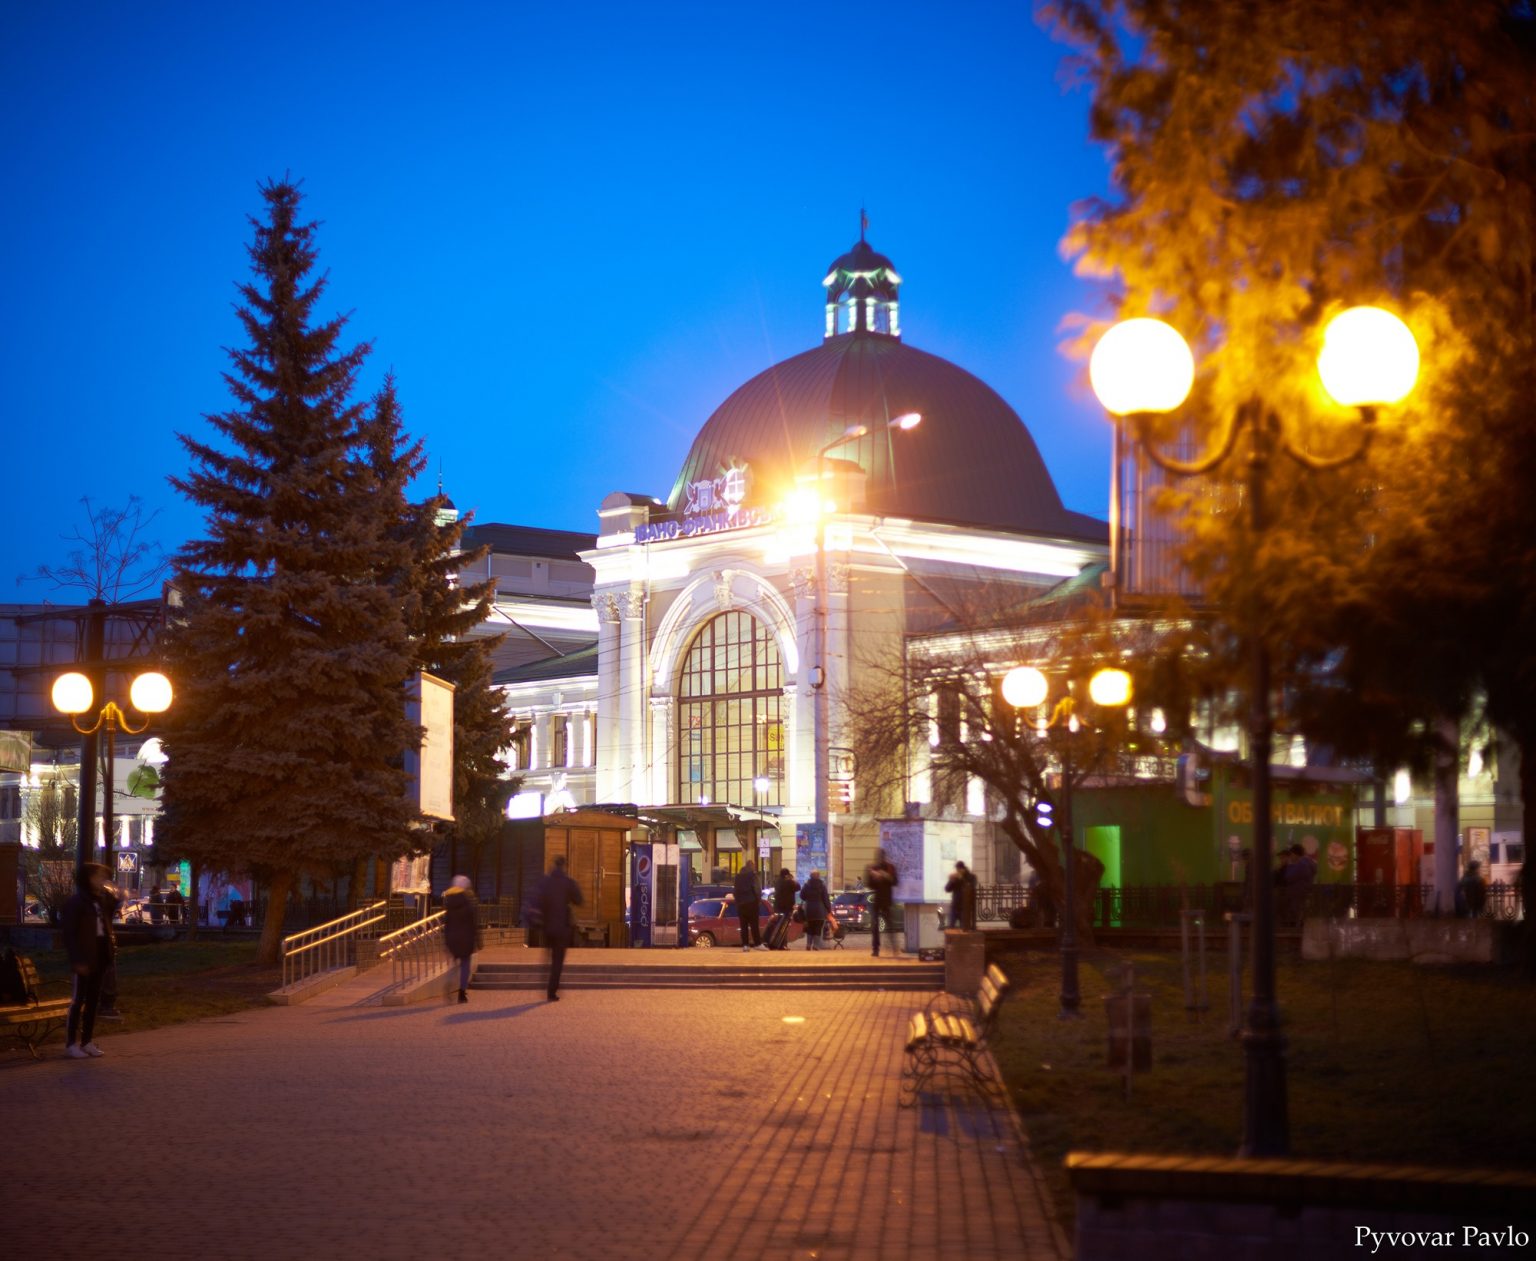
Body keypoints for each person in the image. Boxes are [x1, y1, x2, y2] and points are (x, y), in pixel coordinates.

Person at [60, 863, 114, 1059]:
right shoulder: (76, 902)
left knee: (92, 1001)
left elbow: (109, 917)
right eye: (99, 876)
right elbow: (69, 935)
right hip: (84, 958)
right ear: (88, 878)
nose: (102, 880)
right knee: (78, 1001)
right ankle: (70, 1044)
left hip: (99, 956)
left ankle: (87, 1041)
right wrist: (77, 960)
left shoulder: (100, 900)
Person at [530, 856, 583, 1002]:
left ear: (553, 866)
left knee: (547, 956)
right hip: (563, 928)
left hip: (547, 927)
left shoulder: (545, 882)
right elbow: (579, 900)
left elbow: (536, 901)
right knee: (557, 961)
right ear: (564, 866)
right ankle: (551, 991)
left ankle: (546, 983)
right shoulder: (568, 882)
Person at [443, 875, 480, 1003]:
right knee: (465, 966)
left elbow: (446, 924)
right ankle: (462, 993)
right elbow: (473, 924)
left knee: (454, 964)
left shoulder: (449, 904)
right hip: (466, 939)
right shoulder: (468, 903)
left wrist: (446, 941)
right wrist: (478, 941)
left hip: (452, 939)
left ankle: (449, 981)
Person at [96, 881, 124, 1021]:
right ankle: (105, 1005)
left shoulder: (103, 901)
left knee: (109, 974)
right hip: (103, 945)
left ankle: (106, 1004)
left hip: (106, 944)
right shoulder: (95, 902)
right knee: (107, 974)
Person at [866, 848, 898, 958]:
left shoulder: (890, 867)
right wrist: (874, 877)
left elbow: (895, 881)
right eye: (878, 856)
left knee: (890, 925)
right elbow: (869, 885)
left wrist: (884, 875)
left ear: (884, 857)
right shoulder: (872, 868)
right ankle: (876, 949)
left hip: (887, 900)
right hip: (877, 900)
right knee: (875, 925)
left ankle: (894, 948)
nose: (879, 859)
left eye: (881, 856)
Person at [734, 860, 765, 952]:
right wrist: (758, 900)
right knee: (754, 925)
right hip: (751, 903)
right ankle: (757, 943)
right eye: (754, 865)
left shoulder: (738, 877)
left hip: (740, 904)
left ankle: (745, 945)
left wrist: (738, 901)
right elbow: (757, 889)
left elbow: (735, 890)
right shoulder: (753, 876)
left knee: (743, 926)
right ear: (751, 866)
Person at [800, 869, 831, 951]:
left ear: (810, 876)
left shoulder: (806, 885)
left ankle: (808, 944)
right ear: (819, 876)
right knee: (818, 928)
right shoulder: (822, 885)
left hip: (809, 909)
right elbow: (825, 899)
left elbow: (802, 896)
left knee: (810, 927)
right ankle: (816, 946)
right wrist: (828, 909)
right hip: (820, 909)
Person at [945, 861, 978, 930]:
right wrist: (951, 881)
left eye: (959, 869)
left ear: (963, 869)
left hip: (965, 908)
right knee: (950, 927)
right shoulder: (955, 877)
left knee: (964, 928)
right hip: (955, 906)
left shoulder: (971, 877)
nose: (957, 871)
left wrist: (962, 879)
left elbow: (971, 887)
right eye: (956, 869)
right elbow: (947, 889)